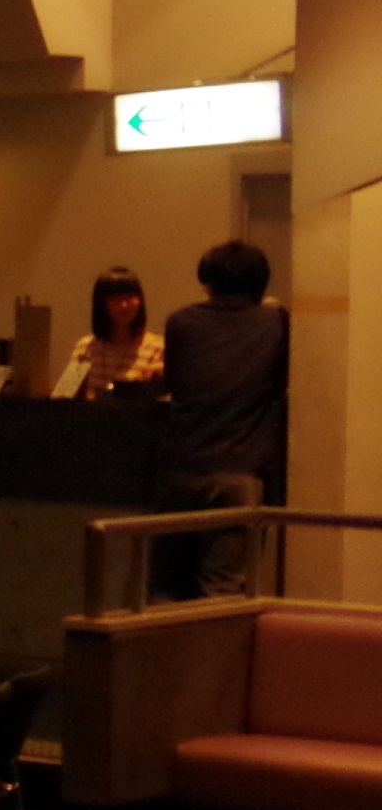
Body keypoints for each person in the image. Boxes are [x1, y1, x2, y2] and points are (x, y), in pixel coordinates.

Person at [154, 239, 290, 600]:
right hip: (239, 471)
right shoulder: (276, 322)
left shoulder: (180, 323)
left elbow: (175, 383)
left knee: (167, 590)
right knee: (223, 591)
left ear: (208, 280)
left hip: (180, 466)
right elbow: (281, 384)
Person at [61, 265, 164, 401]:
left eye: (130, 297)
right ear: (101, 304)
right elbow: (65, 395)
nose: (124, 305)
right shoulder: (85, 347)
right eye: (115, 299)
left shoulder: (157, 348)